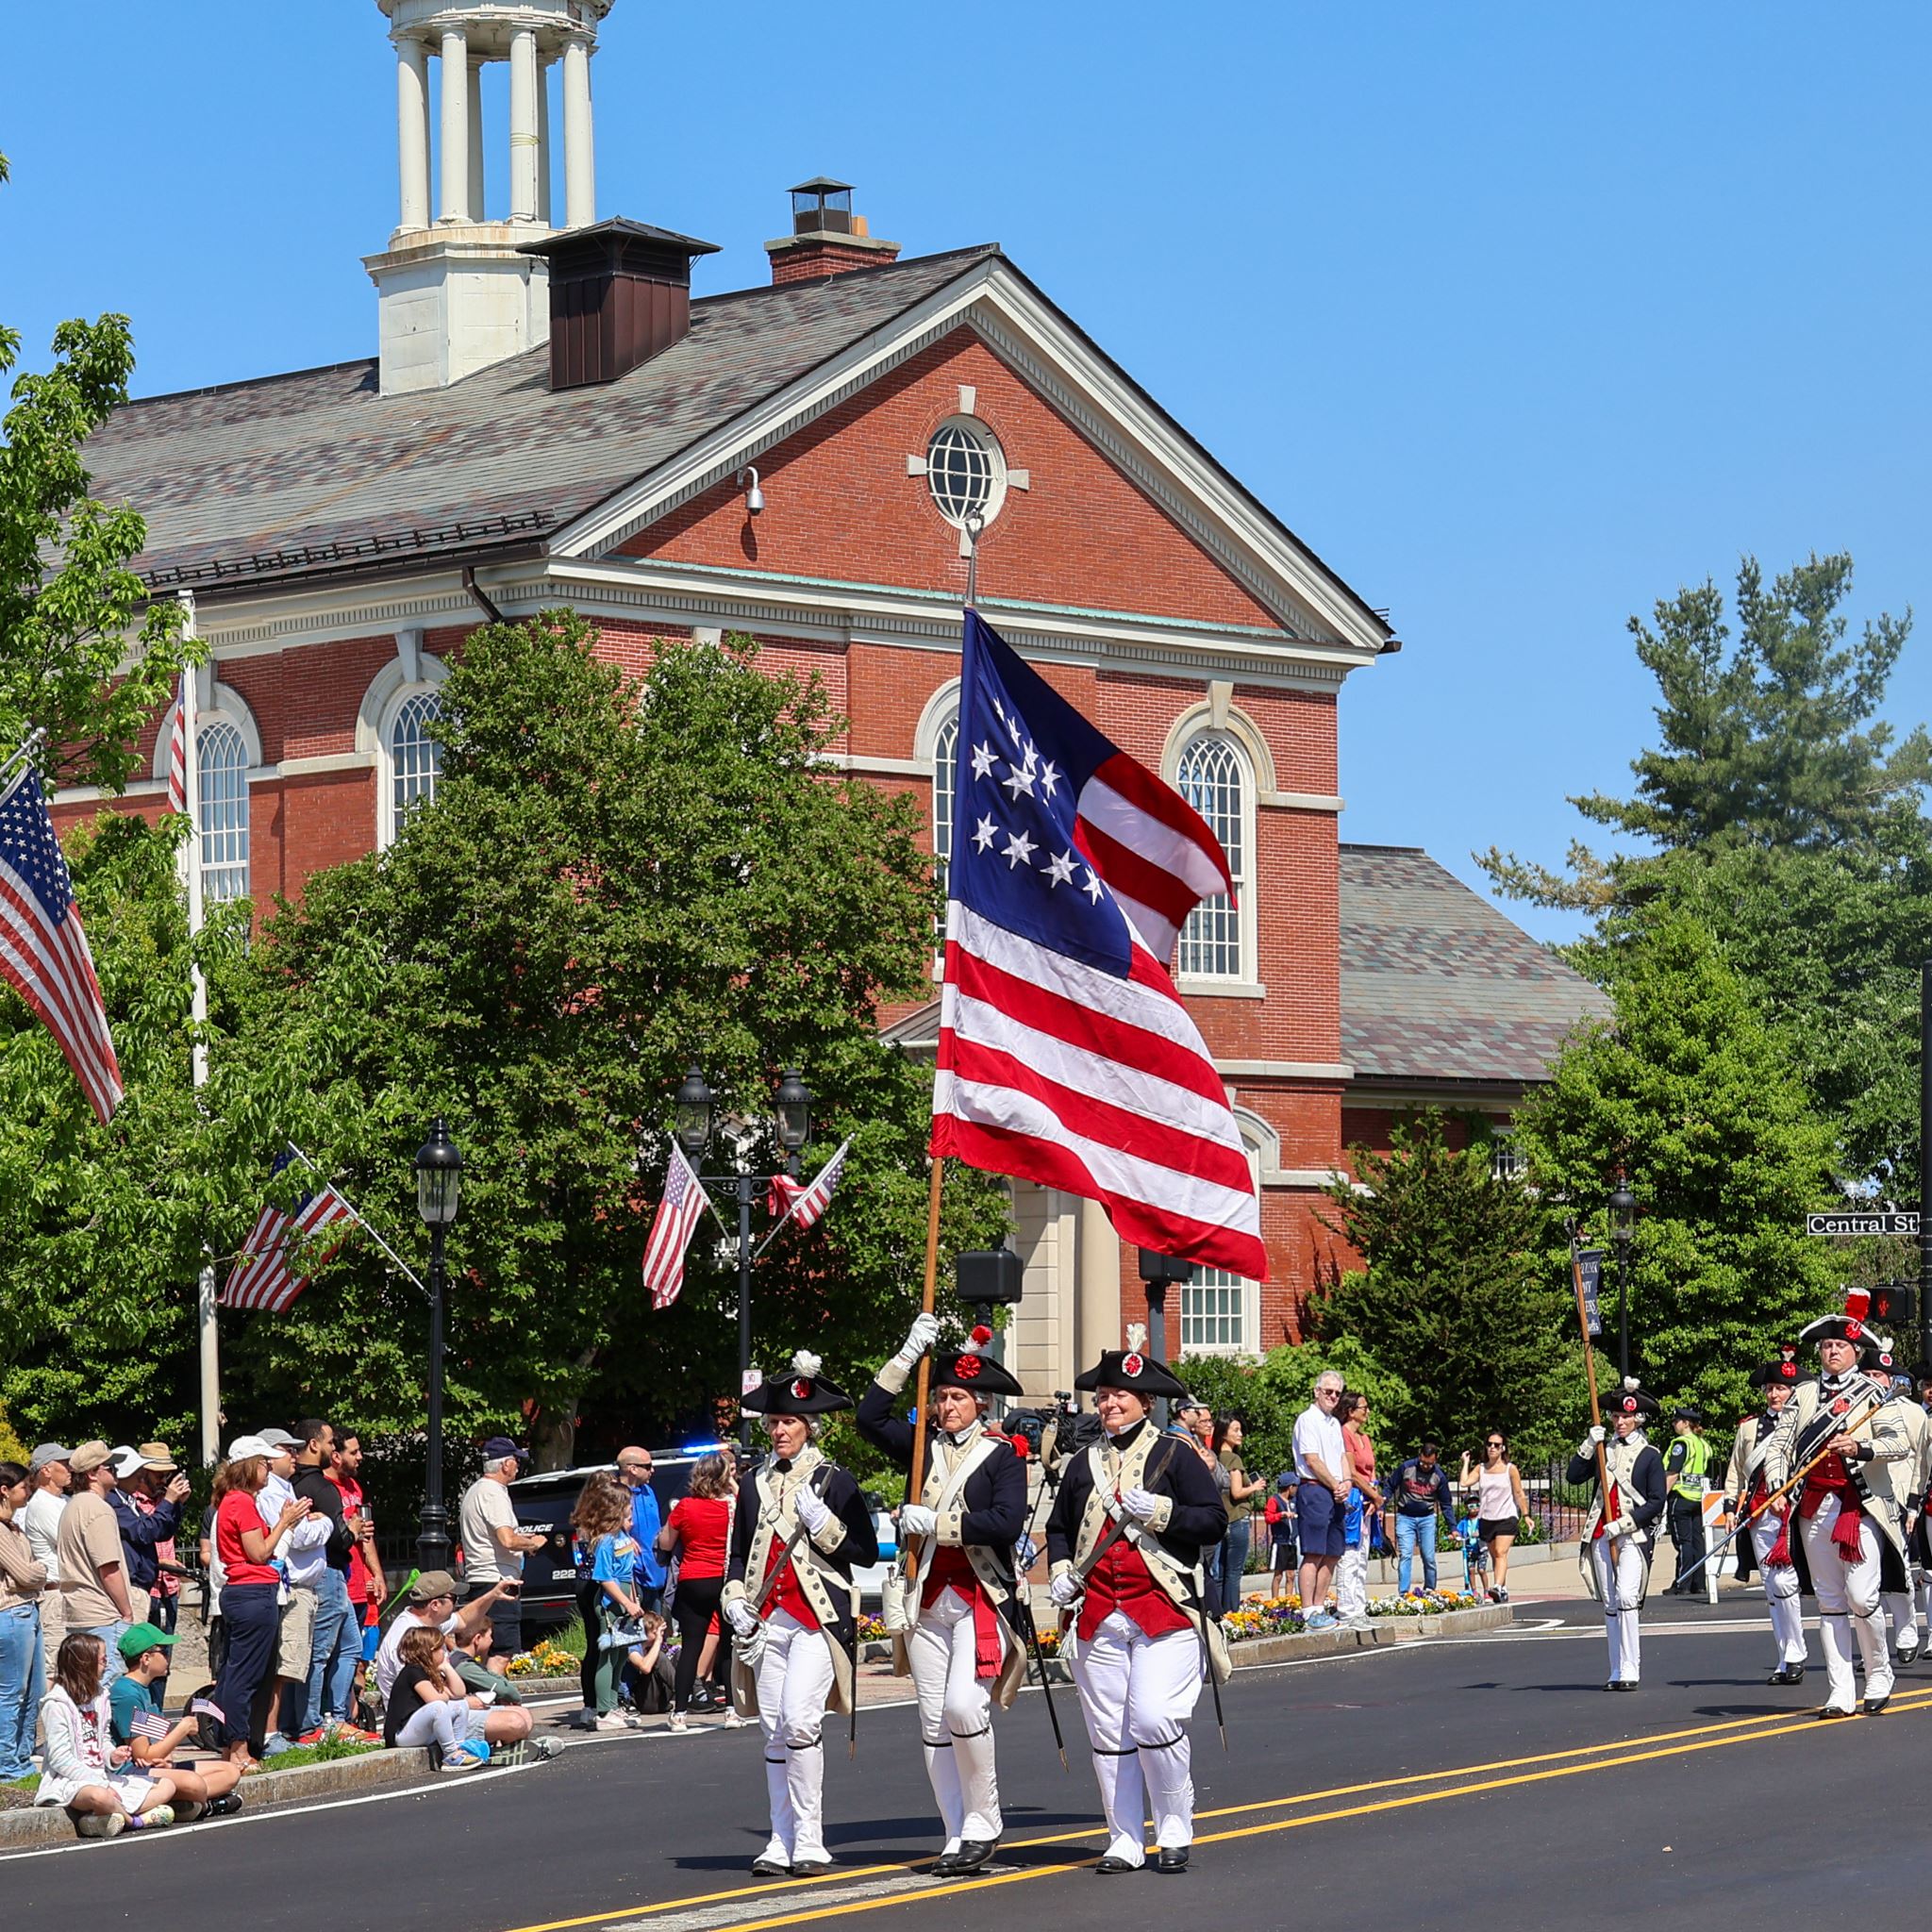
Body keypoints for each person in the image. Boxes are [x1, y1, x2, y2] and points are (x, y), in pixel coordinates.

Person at [1046, 1331, 1227, 1876]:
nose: (1108, 1404)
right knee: (1108, 1733)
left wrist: (1162, 1512)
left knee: (1152, 1719)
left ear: (1145, 1402)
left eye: (1119, 1395)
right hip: (1099, 1610)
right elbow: (1059, 1528)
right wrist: (1059, 1572)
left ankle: (1174, 1824)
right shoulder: (1082, 1464)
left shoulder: (1176, 1454)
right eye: (1102, 1396)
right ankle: (1123, 1836)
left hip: (1162, 1609)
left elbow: (1213, 1522)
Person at [856, 1314, 1028, 1876]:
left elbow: (1004, 1523)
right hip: (926, 1600)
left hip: (980, 1593)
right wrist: (907, 1356)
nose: (948, 1406)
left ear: (980, 1403)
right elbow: (869, 1417)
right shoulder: (920, 1448)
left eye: (959, 1397)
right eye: (944, 1396)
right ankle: (956, 1832)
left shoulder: (1003, 1456)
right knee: (932, 1720)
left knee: (962, 1706)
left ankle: (986, 1820)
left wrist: (939, 1523)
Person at [722, 1349, 879, 1877]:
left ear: (809, 1427)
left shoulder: (836, 1480)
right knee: (771, 1730)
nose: (779, 1431)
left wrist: (825, 1524)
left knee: (799, 1721)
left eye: (788, 1422)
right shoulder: (752, 1482)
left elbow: (861, 1548)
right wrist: (735, 1603)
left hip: (815, 1619)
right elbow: (738, 1553)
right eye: (773, 1422)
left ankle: (811, 1839)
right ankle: (779, 1838)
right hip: (766, 1620)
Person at [1762, 1299, 1913, 1718]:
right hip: (1813, 1506)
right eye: (1827, 1345)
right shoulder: (1805, 1394)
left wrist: (1859, 1447)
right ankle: (1840, 1689)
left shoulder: (1873, 1394)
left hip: (1858, 1507)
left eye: (1840, 1346)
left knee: (1863, 1597)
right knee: (1829, 1602)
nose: (1832, 1352)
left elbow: (1897, 1443)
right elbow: (1781, 1443)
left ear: (1856, 1353)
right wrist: (1777, 1479)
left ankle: (1879, 1672)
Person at [208, 1436, 310, 1768]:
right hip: (253, 1593)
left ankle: (231, 1745)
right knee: (244, 1676)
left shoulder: (230, 1501)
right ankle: (238, 1748)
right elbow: (259, 1552)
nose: (268, 1469)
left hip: (243, 1593)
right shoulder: (241, 1503)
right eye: (264, 1463)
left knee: (235, 1672)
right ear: (250, 1466)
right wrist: (285, 1522)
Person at [1567, 1382, 1668, 1691]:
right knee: (1611, 1602)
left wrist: (1623, 1524)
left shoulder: (1650, 1455)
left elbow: (1655, 1500)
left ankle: (1631, 1667)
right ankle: (1616, 1669)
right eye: (1615, 1417)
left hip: (1632, 1535)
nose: (1620, 1422)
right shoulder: (1603, 1449)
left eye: (1626, 1417)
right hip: (1600, 1532)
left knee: (1627, 1596)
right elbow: (1573, 1477)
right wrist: (1587, 1445)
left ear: (1637, 1419)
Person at [371, 1570, 534, 1754]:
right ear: (435, 1604)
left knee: (524, 1715)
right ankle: (471, 1750)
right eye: (454, 1599)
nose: (457, 1604)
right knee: (516, 1723)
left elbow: (464, 1619)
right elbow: (426, 1699)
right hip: (417, 1719)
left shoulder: (428, 1624)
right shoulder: (407, 1640)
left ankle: (491, 1745)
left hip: (438, 1707)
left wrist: (493, 1594)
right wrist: (466, 1702)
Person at [36, 1633, 180, 1837]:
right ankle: (135, 1821)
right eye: (102, 1659)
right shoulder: (56, 1704)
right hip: (70, 1781)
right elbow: (60, 1759)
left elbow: (102, 1738)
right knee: (100, 1797)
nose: (107, 1662)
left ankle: (100, 1820)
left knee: (167, 1785)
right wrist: (99, 1783)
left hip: (104, 1776)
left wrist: (112, 1755)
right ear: (84, 1663)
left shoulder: (101, 1695)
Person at [1722, 1347, 1807, 1683]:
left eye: (1782, 1388)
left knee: (1786, 1582)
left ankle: (1797, 1653)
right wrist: (1730, 1507)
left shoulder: (1803, 1426)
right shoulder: (1748, 1428)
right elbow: (1735, 1473)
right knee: (1772, 1588)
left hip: (1791, 1511)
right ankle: (1785, 1657)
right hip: (1757, 1513)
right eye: (1770, 1389)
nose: (1775, 1394)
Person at [108, 1623, 243, 1817]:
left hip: (154, 1767)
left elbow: (156, 1742)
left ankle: (186, 1803)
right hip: (131, 1772)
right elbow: (142, 1755)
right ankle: (199, 1804)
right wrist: (183, 1729)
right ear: (146, 1658)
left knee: (230, 1772)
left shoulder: (148, 1689)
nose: (168, 1657)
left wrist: (166, 1758)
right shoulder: (126, 1695)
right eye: (163, 1651)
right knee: (194, 1784)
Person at [256, 1425, 330, 1750]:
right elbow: (295, 1537)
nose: (296, 1456)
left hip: (302, 1587)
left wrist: (315, 1522)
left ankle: (281, 1730)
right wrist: (325, 1523)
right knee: (284, 1665)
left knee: (294, 1664)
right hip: (291, 1586)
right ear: (270, 1457)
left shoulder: (284, 1488)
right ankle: (271, 1734)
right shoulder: (272, 1493)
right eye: (289, 1450)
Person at [657, 1450, 740, 1728]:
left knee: (691, 1646)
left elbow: (666, 1543)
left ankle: (680, 1713)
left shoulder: (685, 1506)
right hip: (725, 1579)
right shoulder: (732, 1506)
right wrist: (733, 1485)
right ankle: (731, 1710)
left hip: (693, 1578)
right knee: (727, 1646)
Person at [458, 1438, 546, 1672]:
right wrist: (532, 1543)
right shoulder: (493, 1493)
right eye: (515, 1460)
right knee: (501, 1651)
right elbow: (507, 1539)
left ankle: (487, 1698)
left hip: (481, 1579)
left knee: (486, 1647)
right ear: (505, 1465)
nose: (518, 1465)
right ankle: (494, 1701)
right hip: (497, 1580)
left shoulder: (475, 1490)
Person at [55, 1441, 139, 1681]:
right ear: (92, 1473)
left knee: (86, 1691)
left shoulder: (71, 1507)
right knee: (107, 1690)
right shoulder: (98, 1509)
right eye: (109, 1467)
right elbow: (108, 1568)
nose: (116, 1471)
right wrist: (127, 1613)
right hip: (102, 1614)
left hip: (78, 1612)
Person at [582, 1476, 647, 1731]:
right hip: (611, 1600)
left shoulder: (623, 1536)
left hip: (625, 1595)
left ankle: (613, 1703)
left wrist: (634, 1598)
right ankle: (604, 1710)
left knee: (621, 1655)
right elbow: (604, 1577)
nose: (631, 1511)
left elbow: (627, 1572)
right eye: (628, 1507)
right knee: (608, 1656)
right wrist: (625, 1602)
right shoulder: (606, 1540)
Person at [327, 1429, 387, 1706]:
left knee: (356, 1655)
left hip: (361, 1586)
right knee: (338, 1652)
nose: (360, 1457)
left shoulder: (354, 1487)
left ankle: (350, 1711)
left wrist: (376, 1573)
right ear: (336, 1456)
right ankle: (336, 1713)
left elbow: (366, 1537)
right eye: (354, 1452)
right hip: (339, 1583)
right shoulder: (325, 1489)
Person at [382, 1624, 490, 1771]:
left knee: (460, 1705)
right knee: (438, 1708)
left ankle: (458, 1747)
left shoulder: (430, 1671)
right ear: (429, 1652)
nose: (444, 1652)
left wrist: (447, 1667)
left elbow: (459, 1693)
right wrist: (446, 1693)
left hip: (418, 1731)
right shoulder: (413, 1671)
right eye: (440, 1649)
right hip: (402, 1734)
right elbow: (435, 1700)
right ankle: (451, 1755)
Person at [0, 1459, 48, 1782]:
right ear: (4, 1490)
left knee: (34, 1691)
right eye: (22, 1486)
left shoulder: (15, 1528)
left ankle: (21, 1756)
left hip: (29, 1609)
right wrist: (35, 1572)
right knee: (12, 1692)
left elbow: (33, 1572)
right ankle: (6, 1762)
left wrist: (34, 1573)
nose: (27, 1491)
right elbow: (25, 1572)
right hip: (11, 1613)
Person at [106, 1444, 190, 1628]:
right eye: (158, 1475)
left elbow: (161, 1533)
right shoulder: (115, 1502)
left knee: (161, 1653)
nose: (140, 1477)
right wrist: (168, 1501)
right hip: (138, 1588)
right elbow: (144, 1532)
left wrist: (177, 1505)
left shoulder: (127, 1501)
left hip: (163, 1588)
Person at [1292, 1371, 1350, 1631]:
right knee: (1314, 1552)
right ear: (1317, 1391)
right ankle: (1308, 1611)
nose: (1333, 1397)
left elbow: (1340, 1457)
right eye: (1328, 1392)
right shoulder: (1308, 1420)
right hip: (1315, 1489)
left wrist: (1346, 1482)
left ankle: (1319, 1605)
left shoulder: (1334, 1424)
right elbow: (1312, 1459)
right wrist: (1336, 1484)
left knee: (1333, 1552)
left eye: (1337, 1393)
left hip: (1335, 1491)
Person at [1458, 1431, 1531, 1604]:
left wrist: (1526, 1515)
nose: (1492, 1448)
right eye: (1490, 1444)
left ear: (1503, 1448)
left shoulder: (1510, 1469)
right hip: (1487, 1518)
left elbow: (1519, 1493)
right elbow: (1464, 1482)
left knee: (1500, 1552)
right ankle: (1503, 1589)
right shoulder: (1481, 1468)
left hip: (1507, 1517)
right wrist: (1466, 1462)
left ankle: (1497, 1586)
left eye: (1497, 1445)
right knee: (1494, 1556)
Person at [22, 1444, 72, 1675]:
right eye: (63, 1463)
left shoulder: (63, 1500)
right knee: (54, 1668)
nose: (69, 1468)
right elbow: (71, 1542)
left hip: (69, 1594)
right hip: (55, 1594)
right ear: (46, 1471)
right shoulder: (42, 1504)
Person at [1335, 1392, 1383, 1626]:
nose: (1368, 1411)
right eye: (1364, 1407)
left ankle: (1359, 1608)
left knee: (1363, 1556)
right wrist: (1374, 1495)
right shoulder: (1344, 1434)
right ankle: (1346, 1609)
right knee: (1350, 1554)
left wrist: (1375, 1497)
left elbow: (1370, 1471)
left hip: (1367, 1501)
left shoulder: (1364, 1437)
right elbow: (1352, 1472)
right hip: (1354, 1500)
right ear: (1350, 1411)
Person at [1173, 1395, 1224, 1615]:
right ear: (1184, 1413)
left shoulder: (1189, 1438)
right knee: (1200, 1571)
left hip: (1199, 1512)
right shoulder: (1178, 1439)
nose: (1201, 1416)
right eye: (1196, 1411)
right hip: (1192, 1513)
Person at [1385, 1440, 1455, 1594]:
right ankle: (1403, 1593)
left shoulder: (1439, 1476)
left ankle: (1430, 1589)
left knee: (1428, 1556)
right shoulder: (1406, 1468)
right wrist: (1382, 1506)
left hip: (1427, 1518)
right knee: (1406, 1555)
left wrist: (1453, 1527)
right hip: (1405, 1517)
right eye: (1423, 1462)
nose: (1426, 1467)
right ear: (1419, 1456)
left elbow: (1446, 1503)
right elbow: (1390, 1485)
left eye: (1430, 1464)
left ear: (1435, 1460)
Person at [1661, 1407, 1713, 1595]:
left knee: (1684, 1542)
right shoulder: (1702, 1444)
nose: (1674, 1424)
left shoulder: (1681, 1444)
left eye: (1676, 1421)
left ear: (1685, 1423)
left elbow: (1673, 1472)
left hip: (1681, 1497)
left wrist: (1661, 1499)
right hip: (1698, 1498)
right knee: (1697, 1541)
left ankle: (1682, 1583)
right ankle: (1699, 1583)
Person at [1213, 1416, 1261, 1615]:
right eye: (1236, 1430)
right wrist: (1255, 1487)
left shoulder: (1215, 1458)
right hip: (1237, 1519)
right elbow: (1237, 1492)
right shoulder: (1234, 1459)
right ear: (1224, 1433)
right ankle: (1232, 1614)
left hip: (1223, 1521)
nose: (1240, 1434)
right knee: (1234, 1573)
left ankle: (1218, 1613)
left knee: (1221, 1572)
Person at [617, 1445, 670, 1614]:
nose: (652, 1470)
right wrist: (622, 1537)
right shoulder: (613, 1494)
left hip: (655, 1572)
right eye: (648, 1466)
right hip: (631, 1575)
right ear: (632, 1469)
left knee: (656, 1630)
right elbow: (597, 1527)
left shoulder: (648, 1491)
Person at [1264, 1473, 1298, 1597]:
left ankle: (1289, 1601)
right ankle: (1275, 1601)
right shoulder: (1274, 1500)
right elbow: (1268, 1518)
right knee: (1278, 1575)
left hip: (1291, 1543)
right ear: (1290, 1487)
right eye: (1295, 1486)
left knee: (1291, 1575)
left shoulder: (1294, 1501)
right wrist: (1281, 1515)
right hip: (1280, 1543)